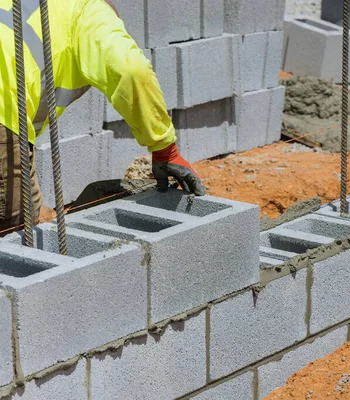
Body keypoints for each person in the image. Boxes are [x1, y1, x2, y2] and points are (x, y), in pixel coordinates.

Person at [0, 0, 205, 231]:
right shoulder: (90, 12)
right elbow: (132, 71)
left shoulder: (37, 8)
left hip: (7, 108)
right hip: (3, 108)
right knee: (17, 237)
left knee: (33, 214)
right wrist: (166, 149)